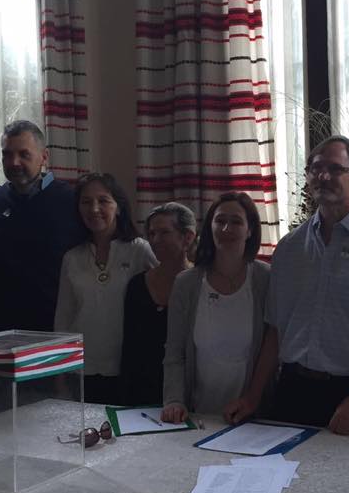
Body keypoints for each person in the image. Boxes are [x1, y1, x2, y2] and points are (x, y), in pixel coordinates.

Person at [225, 135, 349, 434]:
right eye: (315, 168)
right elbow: (275, 329)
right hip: (293, 391)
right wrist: (253, 396)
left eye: (335, 169)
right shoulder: (290, 248)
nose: (323, 176)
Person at [161, 192, 270, 422]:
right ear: (210, 227)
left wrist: (253, 399)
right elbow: (174, 353)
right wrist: (173, 400)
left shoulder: (265, 279)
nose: (226, 228)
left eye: (236, 222)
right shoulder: (186, 283)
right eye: (220, 221)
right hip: (196, 415)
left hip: (252, 417)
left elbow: (272, 350)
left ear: (250, 230)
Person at [54, 173, 155, 404]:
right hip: (82, 369)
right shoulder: (72, 257)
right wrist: (59, 374)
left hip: (129, 367)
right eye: (86, 202)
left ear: (118, 206)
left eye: (103, 200)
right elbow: (63, 318)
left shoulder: (139, 251)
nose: (94, 209)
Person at [0, 120, 82, 332]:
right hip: (4, 326)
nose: (14, 162)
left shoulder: (71, 201)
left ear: (44, 156)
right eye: (7, 154)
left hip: (58, 324)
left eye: (24, 154)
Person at [121, 202, 196, 407]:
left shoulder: (201, 284)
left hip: (189, 393)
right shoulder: (137, 285)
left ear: (187, 237)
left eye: (164, 233)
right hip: (141, 393)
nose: (155, 240)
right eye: (152, 233)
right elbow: (130, 349)